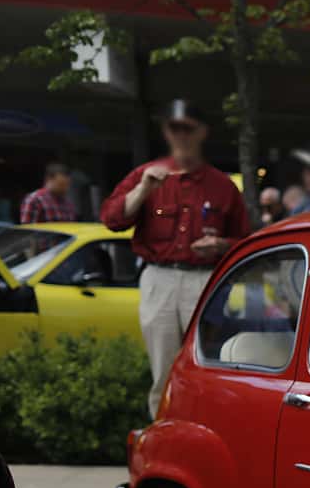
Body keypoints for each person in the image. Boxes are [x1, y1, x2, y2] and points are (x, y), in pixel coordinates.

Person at [101, 99, 249, 416]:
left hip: (204, 278)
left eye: (188, 128)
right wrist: (143, 189)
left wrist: (221, 244)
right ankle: (163, 437)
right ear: (166, 132)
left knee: (204, 363)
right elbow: (112, 219)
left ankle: (202, 432)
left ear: (202, 132)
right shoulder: (147, 175)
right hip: (160, 277)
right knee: (163, 369)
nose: (181, 135)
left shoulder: (222, 186)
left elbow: (245, 240)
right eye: (174, 128)